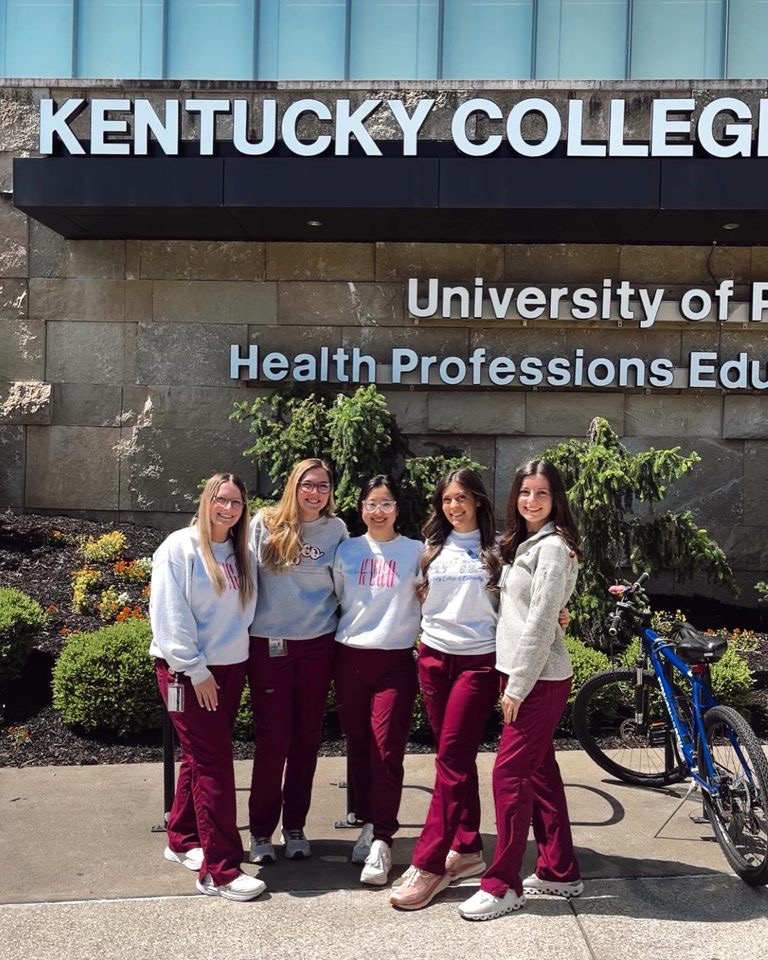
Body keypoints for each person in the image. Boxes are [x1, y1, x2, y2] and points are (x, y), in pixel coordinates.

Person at [459, 458, 582, 921]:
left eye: (542, 493)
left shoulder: (551, 548)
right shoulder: (530, 542)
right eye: (525, 492)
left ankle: (502, 884)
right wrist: (558, 614)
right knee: (541, 772)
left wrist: (516, 687)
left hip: (536, 678)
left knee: (508, 776)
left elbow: (538, 622)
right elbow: (540, 607)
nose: (531, 500)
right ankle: (559, 869)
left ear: (556, 500)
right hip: (525, 672)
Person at [390, 467, 502, 910]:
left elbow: (524, 599)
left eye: (461, 498)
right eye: (447, 500)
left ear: (477, 500)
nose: (454, 507)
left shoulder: (497, 550)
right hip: (434, 658)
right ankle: (470, 846)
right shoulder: (430, 550)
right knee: (453, 758)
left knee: (451, 760)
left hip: (479, 662)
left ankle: (430, 863)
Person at [149, 472, 264, 901]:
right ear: (206, 501)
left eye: (236, 503)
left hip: (230, 668)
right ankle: (220, 871)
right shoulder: (179, 549)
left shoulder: (240, 551)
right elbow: (169, 615)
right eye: (221, 500)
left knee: (201, 759)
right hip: (191, 673)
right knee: (215, 765)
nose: (228, 509)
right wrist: (195, 671)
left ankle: (181, 838)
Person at [246, 457, 348, 863]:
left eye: (323, 486)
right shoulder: (265, 522)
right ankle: (259, 833)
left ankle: (295, 827)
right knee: (272, 741)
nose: (315, 493)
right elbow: (246, 580)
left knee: (307, 741)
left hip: (317, 644)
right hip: (269, 645)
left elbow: (343, 586)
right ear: (294, 485)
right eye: (308, 484)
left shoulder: (336, 529)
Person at [332, 475, 422, 885]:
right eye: (371, 503)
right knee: (359, 746)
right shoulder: (346, 550)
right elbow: (337, 599)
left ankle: (383, 838)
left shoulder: (417, 553)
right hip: (350, 658)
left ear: (397, 509)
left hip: (395, 661)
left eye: (386, 503)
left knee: (387, 750)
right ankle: (367, 824)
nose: (379, 511)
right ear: (361, 508)